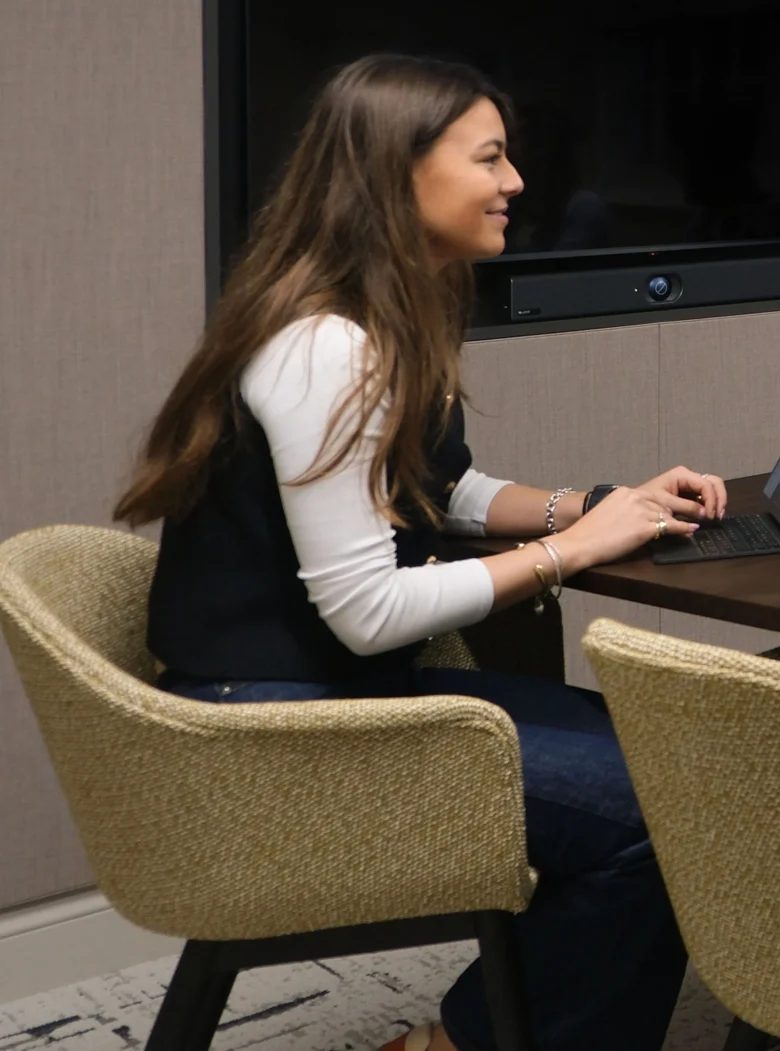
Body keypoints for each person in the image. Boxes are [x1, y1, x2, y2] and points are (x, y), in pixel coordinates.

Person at [116, 54, 727, 1051]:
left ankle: (462, 1039)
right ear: (398, 177)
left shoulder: (385, 316)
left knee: (679, 762)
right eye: (489, 157)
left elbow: (440, 489)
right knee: (662, 809)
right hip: (271, 731)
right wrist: (576, 550)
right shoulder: (325, 347)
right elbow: (363, 610)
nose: (517, 182)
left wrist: (594, 503)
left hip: (322, 694)